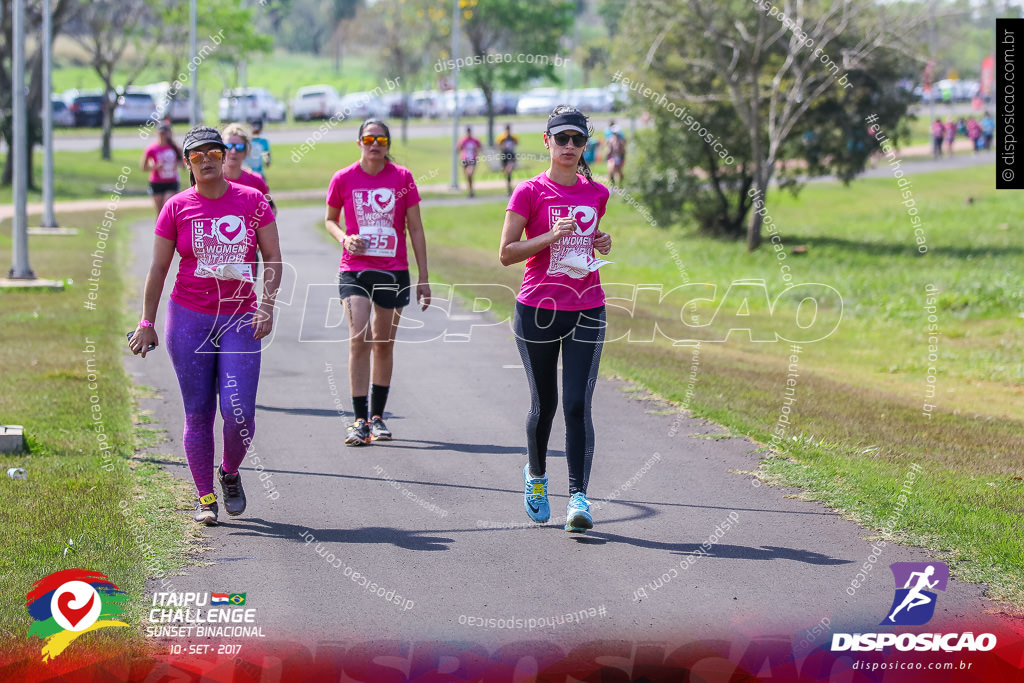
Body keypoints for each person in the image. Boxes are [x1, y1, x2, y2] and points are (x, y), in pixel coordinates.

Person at [129, 126, 282, 526]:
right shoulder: (177, 207)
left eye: (215, 152)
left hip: (239, 317)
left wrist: (266, 306)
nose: (209, 160)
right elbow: (159, 268)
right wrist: (146, 321)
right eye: (198, 156)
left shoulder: (252, 201)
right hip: (189, 318)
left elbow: (273, 257)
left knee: (239, 413)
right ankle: (205, 497)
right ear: (188, 164)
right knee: (198, 413)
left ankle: (229, 472)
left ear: (225, 155)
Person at [499, 105, 613, 534]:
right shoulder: (528, 192)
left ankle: (579, 497)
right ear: (545, 141)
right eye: (561, 138)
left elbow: (589, 243)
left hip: (587, 307)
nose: (569, 146)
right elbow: (506, 253)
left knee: (578, 404)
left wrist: (601, 240)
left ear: (586, 146)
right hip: (538, 312)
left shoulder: (597, 193)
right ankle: (536, 477)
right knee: (544, 404)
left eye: (577, 140)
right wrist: (549, 236)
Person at [325, 119, 431, 446]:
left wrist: (423, 277)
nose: (375, 145)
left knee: (383, 342)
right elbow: (330, 219)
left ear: (387, 144)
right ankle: (358, 419)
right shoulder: (343, 178)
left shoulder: (402, 178)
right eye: (369, 139)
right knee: (360, 337)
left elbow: (415, 228)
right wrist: (344, 238)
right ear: (359, 142)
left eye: (381, 140)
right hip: (355, 268)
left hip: (393, 270)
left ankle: (377, 417)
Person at [222, 122, 276, 215]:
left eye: (239, 147)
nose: (233, 151)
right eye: (228, 146)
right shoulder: (212, 180)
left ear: (246, 152)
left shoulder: (256, 181)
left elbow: (272, 210)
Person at [141, 122, 183, 214]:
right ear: (157, 134)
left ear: (168, 134)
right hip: (157, 182)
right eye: (161, 133)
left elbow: (184, 164)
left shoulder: (175, 148)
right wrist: (156, 167)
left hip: (171, 181)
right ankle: (159, 228)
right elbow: (143, 167)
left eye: (164, 133)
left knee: (167, 206)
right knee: (159, 211)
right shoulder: (151, 149)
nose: (162, 136)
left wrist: (177, 164)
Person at [457, 126, 483, 197]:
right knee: (467, 176)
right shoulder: (463, 140)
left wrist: (476, 151)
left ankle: (471, 191)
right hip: (465, 160)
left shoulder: (475, 140)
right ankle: (470, 191)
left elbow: (480, 147)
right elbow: (458, 149)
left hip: (472, 159)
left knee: (469, 173)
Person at [497, 124, 518, 196]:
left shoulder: (513, 137)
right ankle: (508, 187)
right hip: (504, 156)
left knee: (509, 171)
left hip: (511, 156)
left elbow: (516, 143)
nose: (508, 131)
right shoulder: (502, 137)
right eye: (507, 129)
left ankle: (509, 188)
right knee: (506, 173)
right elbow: (497, 145)